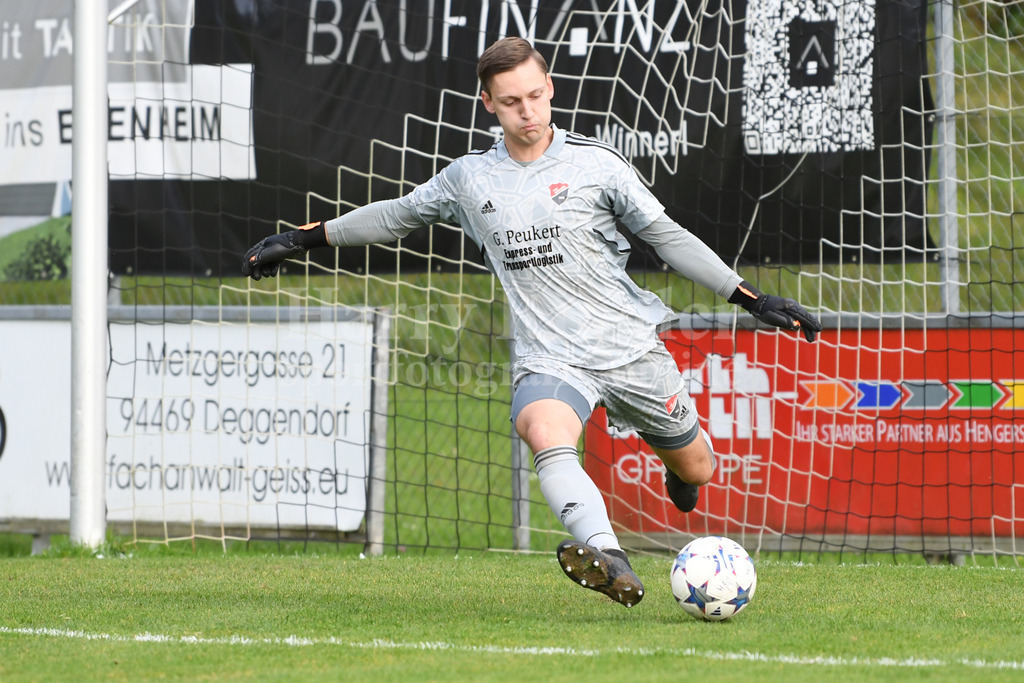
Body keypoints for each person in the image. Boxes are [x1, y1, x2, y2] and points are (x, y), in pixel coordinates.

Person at [242, 37, 821, 608]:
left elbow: (667, 237)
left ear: (550, 88)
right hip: (551, 356)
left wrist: (749, 298)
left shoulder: (596, 164)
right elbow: (395, 216)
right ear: (488, 103)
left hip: (630, 349)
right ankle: (608, 556)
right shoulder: (470, 178)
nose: (527, 112)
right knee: (544, 431)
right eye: (511, 101)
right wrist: (305, 238)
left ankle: (680, 471)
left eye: (535, 96)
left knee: (698, 466)